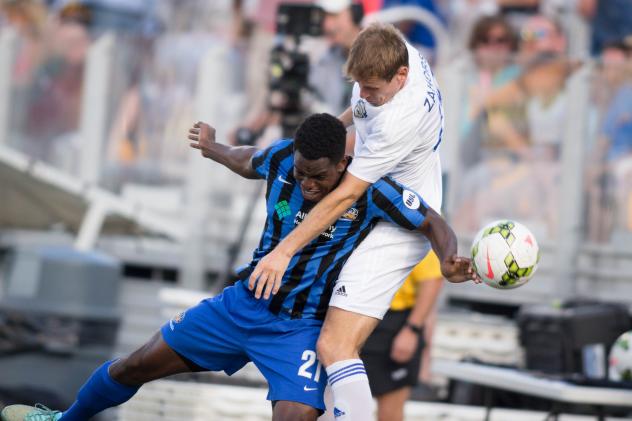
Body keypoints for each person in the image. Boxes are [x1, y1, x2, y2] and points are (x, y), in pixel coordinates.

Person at [0, 113, 478, 421]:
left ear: (343, 164)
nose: (307, 184)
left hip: (299, 330)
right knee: (135, 365)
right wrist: (211, 145)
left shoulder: (370, 189)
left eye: (319, 176)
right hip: (239, 308)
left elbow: (432, 221)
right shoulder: (281, 161)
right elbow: (243, 159)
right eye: (301, 172)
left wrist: (449, 257)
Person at [247, 22, 449, 420]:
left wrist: (283, 252)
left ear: (401, 76)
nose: (367, 95)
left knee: (334, 345)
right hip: (383, 198)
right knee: (323, 328)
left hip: (398, 224)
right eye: (360, 84)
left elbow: (345, 194)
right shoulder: (393, 50)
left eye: (373, 88)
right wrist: (327, 133)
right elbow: (359, 110)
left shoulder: (397, 122)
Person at [361, 251, 443, 421]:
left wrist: (411, 330)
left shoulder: (414, 228)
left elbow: (433, 280)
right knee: (345, 405)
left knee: (390, 412)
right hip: (357, 314)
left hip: (395, 324)